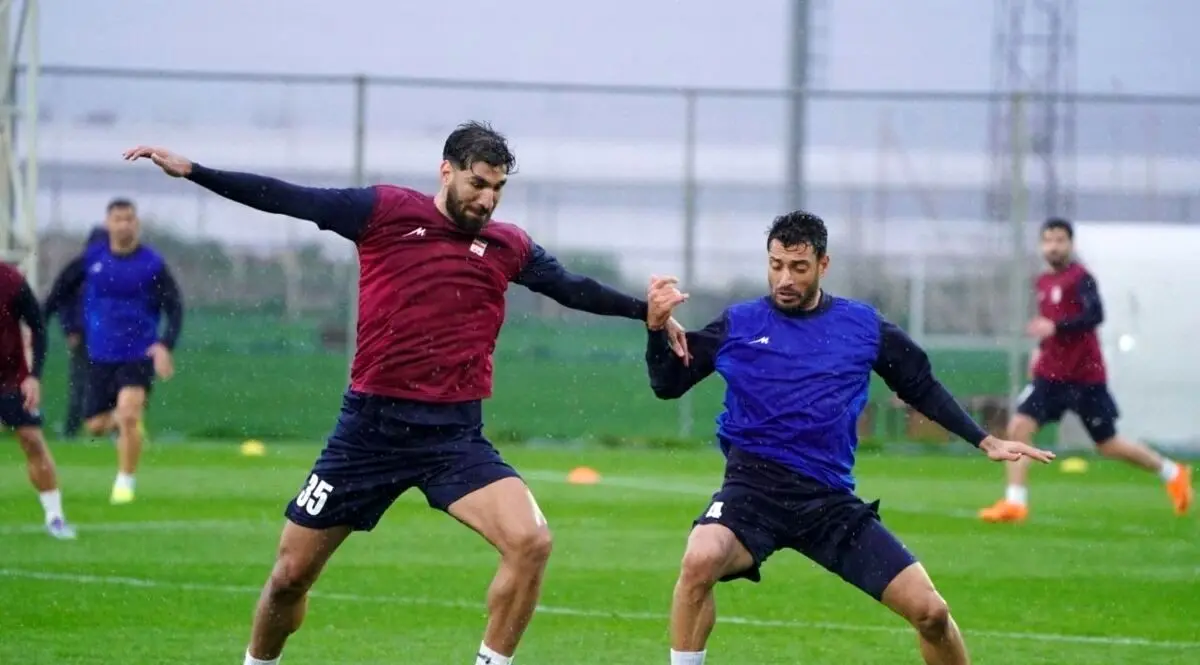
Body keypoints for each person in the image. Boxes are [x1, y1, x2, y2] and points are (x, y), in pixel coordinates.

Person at [122, 120, 689, 665]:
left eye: (497, 189)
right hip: (368, 433)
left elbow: (573, 288)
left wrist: (646, 312)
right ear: (446, 171)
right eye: (478, 184)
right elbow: (289, 197)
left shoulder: (507, 245)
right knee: (290, 577)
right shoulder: (385, 212)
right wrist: (195, 171)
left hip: (454, 438)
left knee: (531, 542)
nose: (488, 200)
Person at [643, 211, 1054, 665]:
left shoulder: (862, 326)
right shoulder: (739, 323)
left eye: (798, 267)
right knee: (699, 559)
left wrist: (984, 440)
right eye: (776, 265)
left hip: (828, 503)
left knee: (932, 614)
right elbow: (668, 384)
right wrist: (656, 330)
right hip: (752, 491)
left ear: (823, 264)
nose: (785, 278)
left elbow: (920, 387)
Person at [978, 217, 1193, 523]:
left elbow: (1095, 315)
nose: (1054, 246)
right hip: (1050, 376)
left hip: (1084, 377)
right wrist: (1040, 350)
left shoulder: (1081, 278)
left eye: (1060, 240)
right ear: (1041, 246)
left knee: (1109, 445)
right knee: (1019, 427)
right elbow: (1048, 326)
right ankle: (1015, 503)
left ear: (1071, 244)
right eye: (1048, 240)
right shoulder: (1043, 282)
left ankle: (1173, 472)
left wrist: (1056, 327)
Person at [43, 199, 183, 505]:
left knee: (129, 414)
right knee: (94, 425)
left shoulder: (152, 263)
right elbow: (59, 291)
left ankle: (124, 483)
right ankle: (126, 423)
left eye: (129, 219)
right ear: (108, 224)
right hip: (100, 354)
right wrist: (35, 326)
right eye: (118, 219)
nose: (124, 225)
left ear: (137, 224)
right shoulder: (92, 259)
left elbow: (174, 306)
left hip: (138, 353)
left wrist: (164, 344)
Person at [0, 262, 76, 539]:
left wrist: (34, 376)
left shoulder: (10, 280)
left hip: (10, 378)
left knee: (31, 440)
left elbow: (38, 326)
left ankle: (55, 517)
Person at [46, 226, 109, 438]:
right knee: (83, 383)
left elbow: (58, 298)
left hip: (104, 337)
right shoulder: (81, 268)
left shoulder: (94, 266)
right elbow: (60, 298)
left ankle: (99, 428)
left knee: (95, 383)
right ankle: (74, 428)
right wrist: (71, 328)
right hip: (87, 335)